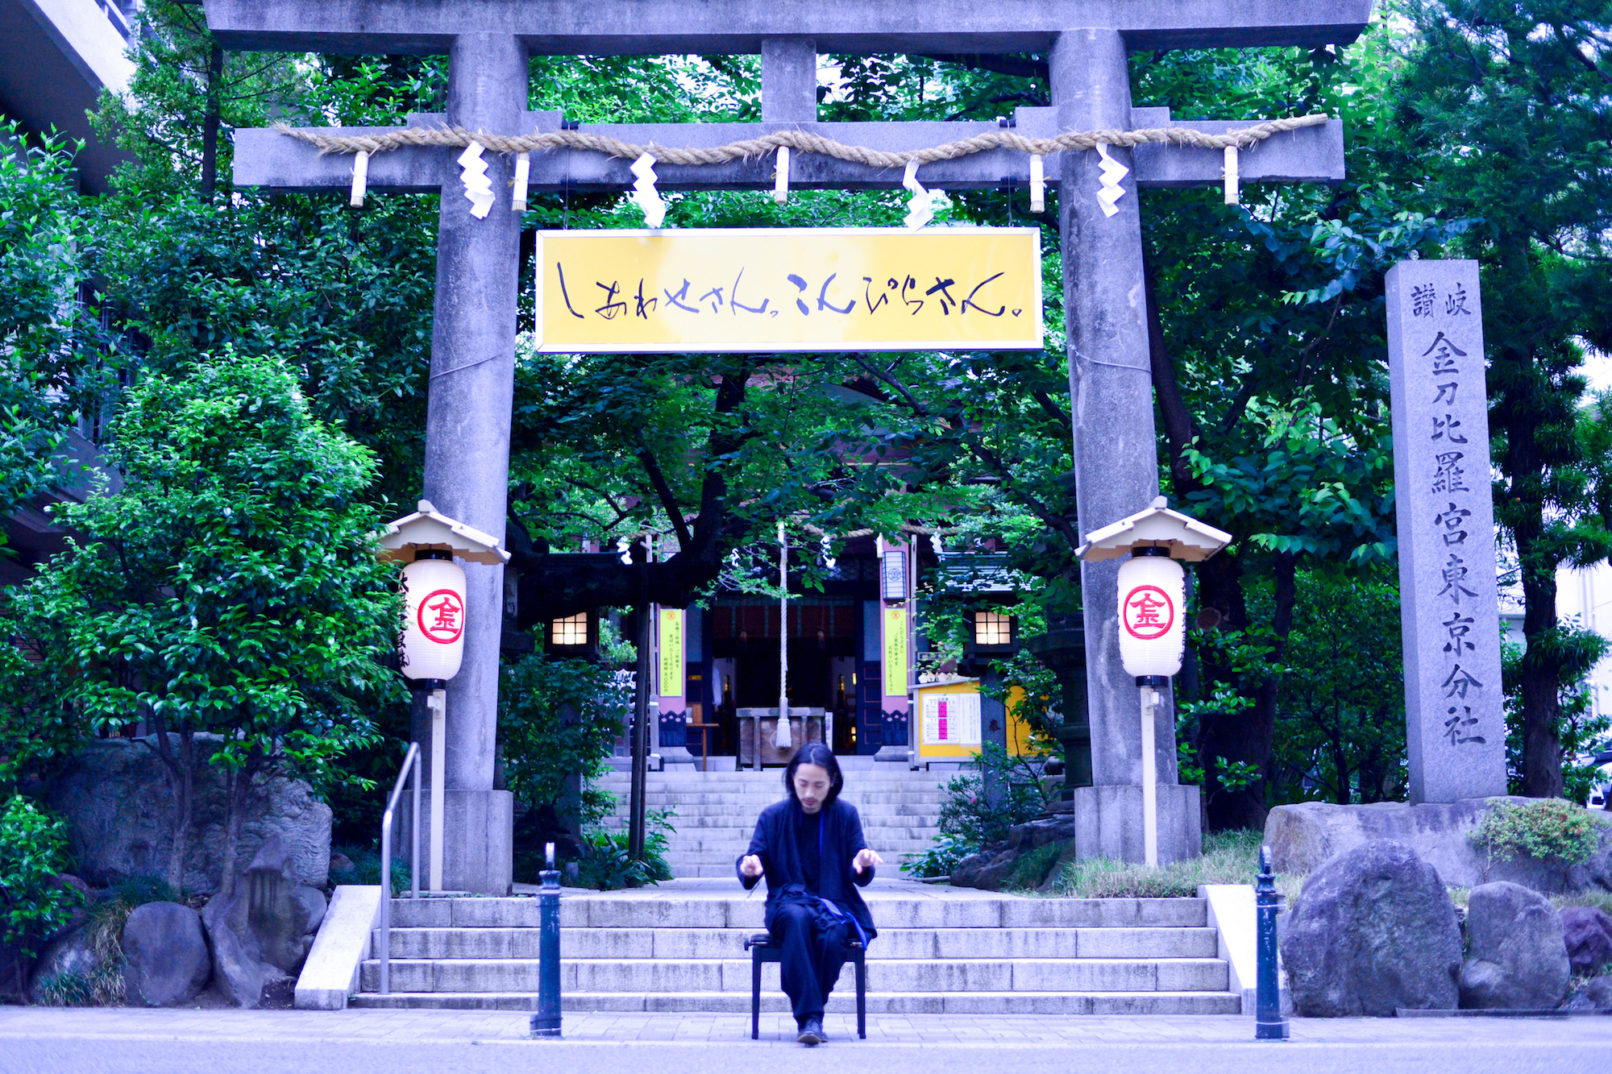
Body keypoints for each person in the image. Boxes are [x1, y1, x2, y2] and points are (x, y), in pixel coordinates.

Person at [737, 742, 882, 1046]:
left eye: (818, 785)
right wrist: (750, 868)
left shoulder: (845, 815)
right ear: (792, 779)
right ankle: (810, 1018)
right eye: (802, 783)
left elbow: (859, 866)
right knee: (796, 918)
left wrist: (861, 864)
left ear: (833, 781)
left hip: (834, 905)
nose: (809, 793)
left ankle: (812, 1011)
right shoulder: (773, 816)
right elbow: (753, 859)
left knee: (833, 935)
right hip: (786, 903)